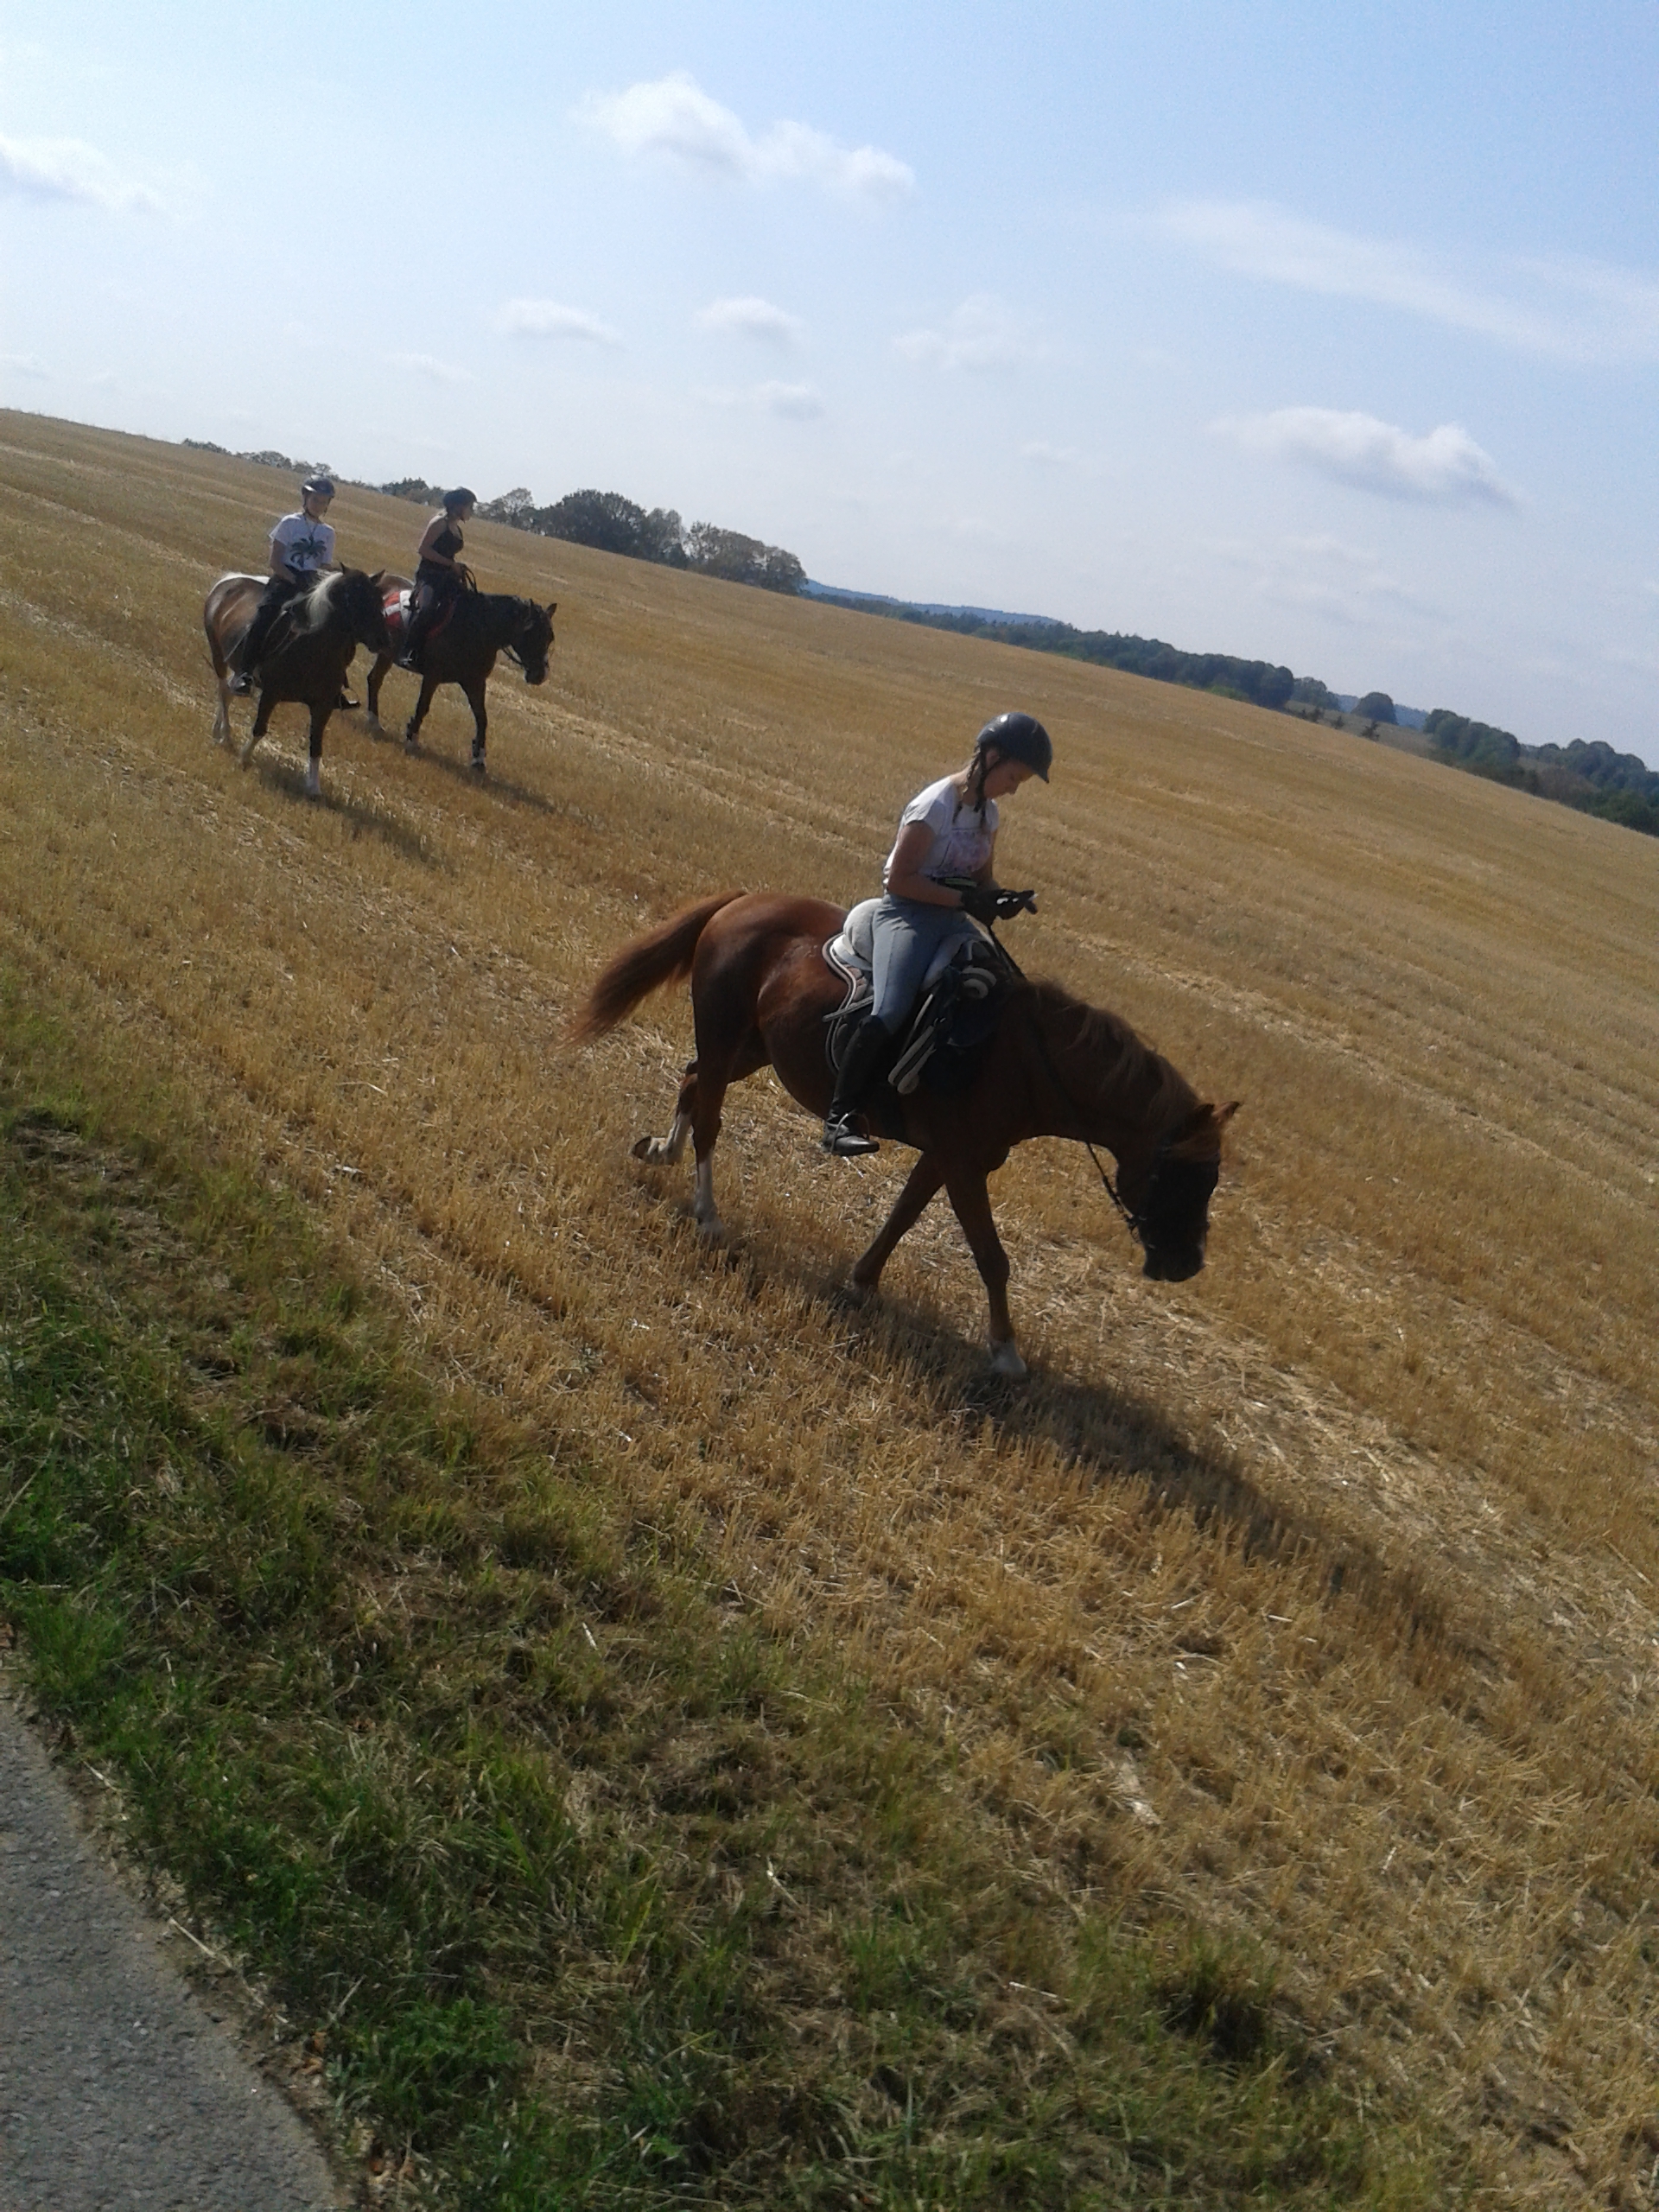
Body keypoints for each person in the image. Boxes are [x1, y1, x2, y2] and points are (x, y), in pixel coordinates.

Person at [821, 711, 1051, 1157]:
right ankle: (839, 1118)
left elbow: (982, 878)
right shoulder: (934, 807)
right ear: (992, 757)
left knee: (1001, 990)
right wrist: (965, 901)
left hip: (952, 921)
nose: (1014, 789)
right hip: (906, 916)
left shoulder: (989, 815)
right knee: (891, 1008)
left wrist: (1000, 899)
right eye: (1014, 777)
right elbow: (899, 880)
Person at [226, 477, 339, 694]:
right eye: (315, 500)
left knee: (333, 625)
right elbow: (275, 561)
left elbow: (324, 565)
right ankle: (244, 673)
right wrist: (294, 580)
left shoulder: (328, 533)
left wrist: (322, 582)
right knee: (265, 617)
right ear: (305, 498)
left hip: (312, 584)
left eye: (324, 502)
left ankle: (334, 684)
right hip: (284, 579)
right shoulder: (289, 523)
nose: (319, 505)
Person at [397, 487, 476, 670]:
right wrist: (450, 564)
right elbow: (423, 549)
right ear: (458, 506)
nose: (471, 511)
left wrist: (455, 568)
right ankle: (407, 651)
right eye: (469, 507)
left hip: (448, 577)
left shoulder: (456, 527)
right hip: (429, 576)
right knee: (427, 609)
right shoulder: (439, 523)